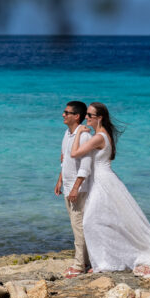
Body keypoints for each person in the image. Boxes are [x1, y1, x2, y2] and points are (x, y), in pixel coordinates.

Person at [70, 102, 150, 278]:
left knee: (91, 221)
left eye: (90, 115)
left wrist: (78, 132)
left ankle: (105, 262)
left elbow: (75, 154)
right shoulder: (103, 135)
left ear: (99, 118)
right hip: (103, 180)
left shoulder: (99, 137)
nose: (86, 118)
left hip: (103, 182)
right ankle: (105, 260)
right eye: (86, 115)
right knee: (105, 220)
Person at [56, 101, 93, 279]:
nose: (63, 115)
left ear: (76, 116)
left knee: (79, 226)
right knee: (76, 225)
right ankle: (85, 261)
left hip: (78, 189)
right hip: (68, 186)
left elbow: (85, 166)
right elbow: (65, 162)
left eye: (67, 112)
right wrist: (60, 181)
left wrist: (75, 188)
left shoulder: (84, 136)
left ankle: (79, 265)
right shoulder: (67, 134)